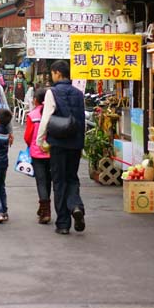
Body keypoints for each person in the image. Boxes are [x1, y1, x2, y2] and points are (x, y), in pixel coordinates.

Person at [37, 60, 86, 235]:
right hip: (75, 143)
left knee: (59, 182)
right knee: (72, 178)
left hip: (58, 143)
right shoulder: (78, 94)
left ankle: (63, 223)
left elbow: (46, 118)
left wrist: (39, 140)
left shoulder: (53, 92)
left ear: (57, 73)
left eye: (52, 73)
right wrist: (82, 143)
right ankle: (76, 206)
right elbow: (82, 120)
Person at [24, 86, 52, 224]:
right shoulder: (53, 113)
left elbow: (28, 136)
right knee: (48, 181)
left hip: (37, 153)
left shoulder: (33, 115)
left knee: (41, 181)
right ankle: (44, 207)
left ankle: (45, 210)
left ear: (35, 100)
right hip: (52, 153)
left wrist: (31, 145)